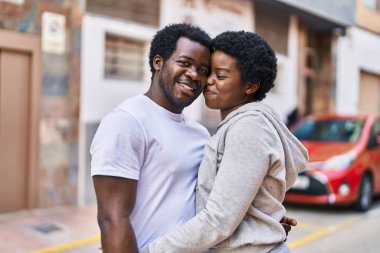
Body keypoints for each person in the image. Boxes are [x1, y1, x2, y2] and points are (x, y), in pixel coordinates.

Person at [91, 24, 297, 253]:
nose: (196, 75)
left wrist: (260, 224)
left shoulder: (201, 134)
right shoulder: (127, 121)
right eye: (184, 63)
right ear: (158, 62)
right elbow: (112, 218)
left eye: (203, 69)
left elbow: (217, 204)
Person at [144, 31, 308, 252]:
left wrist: (148, 250)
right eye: (209, 71)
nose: (208, 80)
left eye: (220, 76)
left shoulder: (248, 128)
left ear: (250, 86)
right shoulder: (240, 125)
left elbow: (219, 220)